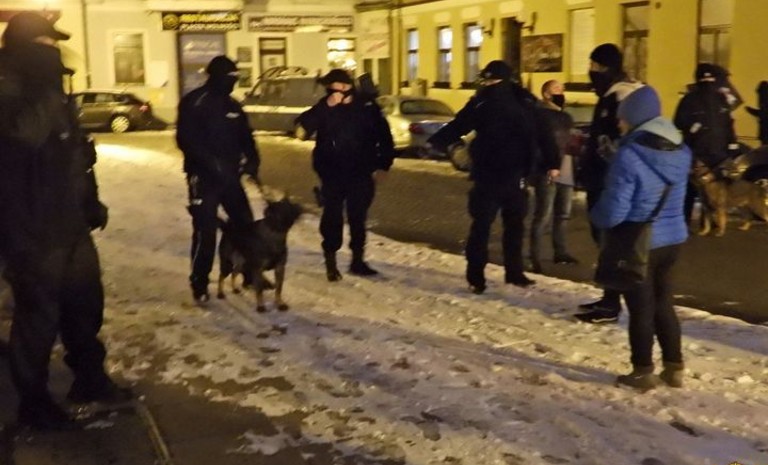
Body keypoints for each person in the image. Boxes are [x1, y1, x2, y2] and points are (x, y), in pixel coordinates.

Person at [0, 12, 126, 430]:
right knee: (38, 316)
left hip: (68, 220)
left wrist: (90, 200)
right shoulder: (9, 86)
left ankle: (90, 379)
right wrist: (43, 89)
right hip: (31, 225)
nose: (54, 50)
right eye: (46, 43)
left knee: (85, 303)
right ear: (25, 45)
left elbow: (73, 155)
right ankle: (33, 402)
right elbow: (23, 138)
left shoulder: (52, 89)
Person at [590, 85, 691, 389]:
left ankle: (642, 371)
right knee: (663, 303)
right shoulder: (681, 151)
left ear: (635, 118)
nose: (619, 123)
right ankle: (674, 367)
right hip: (673, 239)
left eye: (623, 118)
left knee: (641, 309)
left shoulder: (629, 155)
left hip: (639, 243)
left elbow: (615, 211)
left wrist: (597, 214)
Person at [428, 60, 559, 294]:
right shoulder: (525, 101)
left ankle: (477, 277)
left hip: (489, 174)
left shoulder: (483, 101)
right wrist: (553, 162)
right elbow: (544, 134)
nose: (488, 84)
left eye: (491, 80)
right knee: (513, 226)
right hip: (514, 174)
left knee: (483, 227)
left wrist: (436, 142)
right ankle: (513, 272)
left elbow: (459, 125)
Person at [296, 69, 394, 281]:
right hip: (332, 172)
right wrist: (326, 107)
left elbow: (385, 137)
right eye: (331, 87)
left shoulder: (367, 107)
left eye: (340, 86)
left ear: (348, 86)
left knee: (358, 217)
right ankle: (331, 261)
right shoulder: (325, 106)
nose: (336, 91)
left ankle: (358, 260)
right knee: (332, 216)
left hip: (361, 171)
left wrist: (384, 165)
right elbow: (302, 128)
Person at [176, 55, 260, 303]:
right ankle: (199, 282)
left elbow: (246, 137)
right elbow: (186, 140)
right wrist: (211, 164)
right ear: (216, 77)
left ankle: (249, 273)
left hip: (230, 178)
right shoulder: (195, 102)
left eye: (236, 78)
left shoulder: (233, 106)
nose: (233, 82)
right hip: (203, 178)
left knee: (245, 223)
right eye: (230, 78)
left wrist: (253, 160)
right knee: (206, 231)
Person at [576, 43, 644, 324]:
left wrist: (598, 162)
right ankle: (609, 297)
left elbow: (615, 142)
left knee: (611, 242)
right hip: (604, 179)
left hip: (609, 182)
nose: (590, 71)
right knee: (607, 242)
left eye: (594, 66)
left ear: (605, 67)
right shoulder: (616, 93)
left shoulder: (619, 96)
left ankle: (613, 304)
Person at [674, 63, 739, 225]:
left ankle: (688, 221)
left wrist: (692, 129)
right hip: (715, 153)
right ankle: (708, 221)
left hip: (699, 152)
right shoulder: (721, 99)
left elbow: (678, 122)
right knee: (712, 188)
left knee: (693, 188)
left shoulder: (691, 98)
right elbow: (729, 124)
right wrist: (732, 145)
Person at [527, 79, 579, 274]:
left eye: (562, 89)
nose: (561, 92)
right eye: (557, 89)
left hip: (566, 165)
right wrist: (544, 165)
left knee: (563, 212)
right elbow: (536, 144)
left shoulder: (565, 116)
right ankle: (535, 256)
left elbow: (570, 142)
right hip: (547, 167)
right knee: (544, 213)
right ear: (546, 94)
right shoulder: (538, 115)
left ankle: (561, 251)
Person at [746, 81, 768, 146]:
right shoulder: (764, 101)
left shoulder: (763, 100)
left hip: (765, 133)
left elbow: (763, 113)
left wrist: (751, 110)